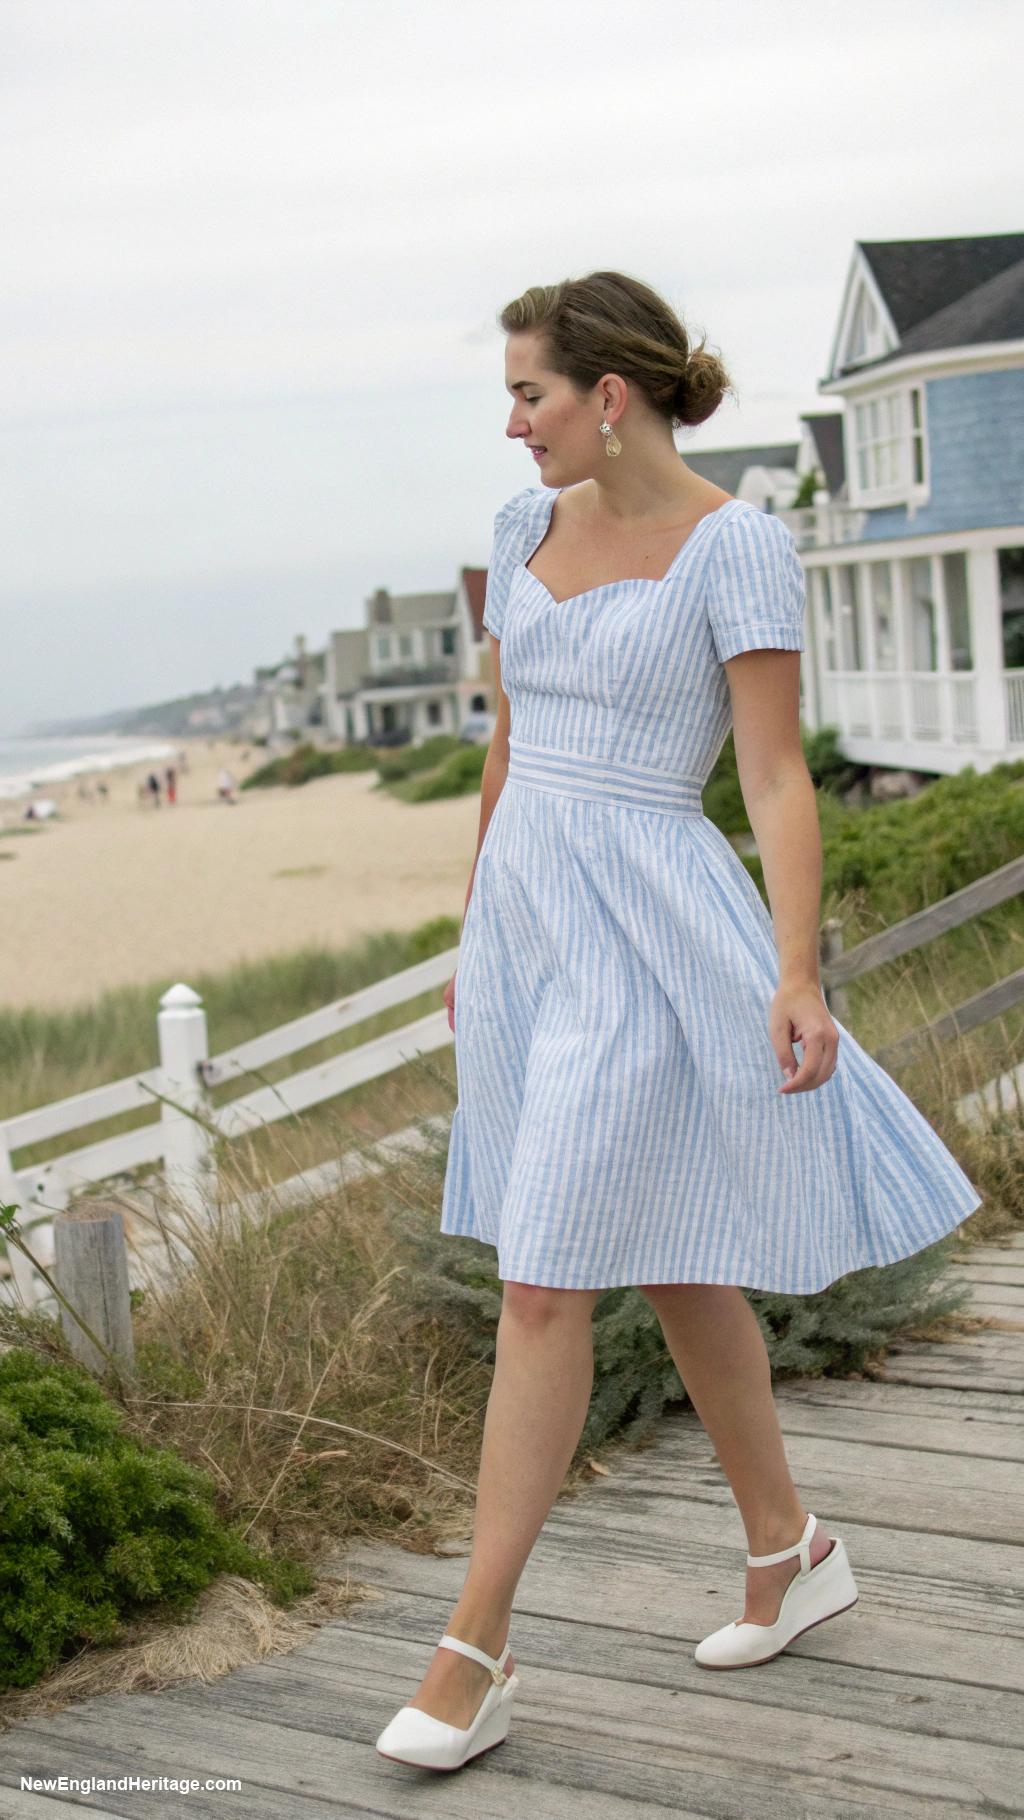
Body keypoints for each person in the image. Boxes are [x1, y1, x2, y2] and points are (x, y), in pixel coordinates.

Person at [374, 271, 986, 1774]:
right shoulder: (524, 531)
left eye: (526, 394)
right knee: (672, 1255)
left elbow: (773, 780)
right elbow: (509, 750)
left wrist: (795, 972)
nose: (509, 427)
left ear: (608, 393)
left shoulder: (740, 546)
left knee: (543, 1280)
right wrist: (476, 935)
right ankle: (788, 1547)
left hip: (657, 927)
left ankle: (474, 1649)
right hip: (531, 933)